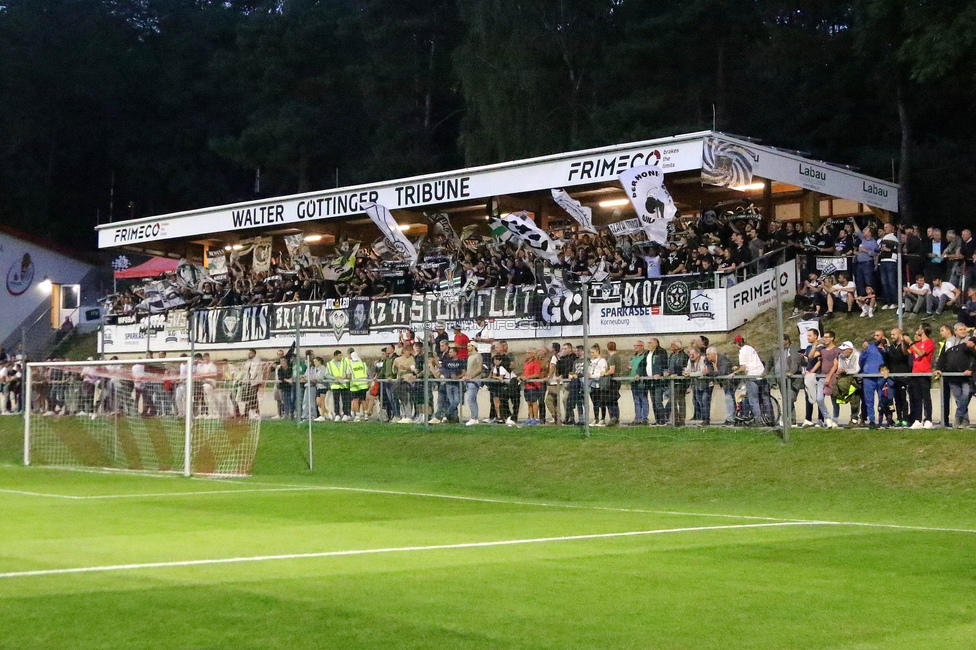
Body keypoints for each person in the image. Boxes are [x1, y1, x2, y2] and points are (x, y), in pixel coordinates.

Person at [934, 323, 975, 428]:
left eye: (965, 329)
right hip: (952, 376)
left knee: (965, 396)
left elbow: (974, 358)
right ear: (955, 331)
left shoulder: (970, 341)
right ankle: (965, 421)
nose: (963, 331)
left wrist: (971, 369)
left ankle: (957, 417)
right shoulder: (949, 342)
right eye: (961, 329)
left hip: (966, 377)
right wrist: (938, 368)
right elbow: (943, 357)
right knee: (958, 399)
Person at [732, 335, 768, 425]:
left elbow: (744, 368)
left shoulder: (742, 351)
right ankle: (770, 418)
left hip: (752, 376)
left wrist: (735, 372)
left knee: (753, 400)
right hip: (760, 373)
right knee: (764, 398)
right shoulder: (750, 348)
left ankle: (758, 421)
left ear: (737, 343)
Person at [907, 323, 935, 429]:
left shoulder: (929, 342)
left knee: (926, 397)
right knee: (916, 398)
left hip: (924, 372)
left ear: (923, 330)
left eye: (919, 328)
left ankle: (928, 419)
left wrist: (911, 343)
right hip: (915, 372)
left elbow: (921, 353)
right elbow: (906, 352)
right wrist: (904, 341)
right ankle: (917, 419)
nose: (917, 330)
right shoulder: (917, 343)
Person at [705, 346, 735, 425]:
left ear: (714, 354)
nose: (707, 356)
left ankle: (730, 419)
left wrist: (710, 373)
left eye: (708, 354)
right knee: (728, 399)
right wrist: (711, 373)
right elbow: (711, 372)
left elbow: (722, 372)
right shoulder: (709, 361)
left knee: (729, 399)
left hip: (731, 382)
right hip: (724, 382)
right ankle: (731, 418)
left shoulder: (723, 359)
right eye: (706, 355)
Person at [684, 346, 713, 425]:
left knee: (705, 401)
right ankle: (703, 418)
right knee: (699, 401)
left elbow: (703, 372)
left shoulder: (704, 360)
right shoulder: (690, 361)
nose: (691, 356)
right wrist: (686, 372)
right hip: (697, 384)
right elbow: (688, 369)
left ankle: (706, 420)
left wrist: (690, 374)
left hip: (706, 384)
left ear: (698, 354)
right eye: (690, 354)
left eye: (693, 354)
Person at [666, 340, 689, 426]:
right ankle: (675, 419)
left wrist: (677, 374)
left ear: (677, 346)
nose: (671, 346)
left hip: (681, 382)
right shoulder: (671, 355)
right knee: (673, 401)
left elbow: (684, 368)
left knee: (681, 400)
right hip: (672, 382)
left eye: (673, 345)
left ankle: (681, 419)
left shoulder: (683, 356)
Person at [647, 338, 669, 424]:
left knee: (658, 401)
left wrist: (660, 373)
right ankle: (657, 420)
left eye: (650, 342)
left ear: (656, 343)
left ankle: (662, 420)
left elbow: (664, 364)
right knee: (653, 401)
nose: (649, 344)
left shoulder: (661, 352)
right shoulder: (648, 353)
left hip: (658, 381)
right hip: (650, 381)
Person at [520, 349, 544, 425]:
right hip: (527, 385)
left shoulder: (536, 363)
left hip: (533, 385)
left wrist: (528, 378)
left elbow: (537, 374)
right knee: (528, 402)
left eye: (528, 353)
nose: (526, 354)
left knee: (534, 402)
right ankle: (531, 417)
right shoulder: (526, 363)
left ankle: (536, 418)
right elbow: (524, 373)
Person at [326, 349, 352, 421]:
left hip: (344, 384)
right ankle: (337, 414)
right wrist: (335, 378)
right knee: (336, 400)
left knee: (345, 400)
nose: (341, 357)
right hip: (335, 385)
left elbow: (347, 370)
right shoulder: (329, 364)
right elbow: (327, 374)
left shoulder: (344, 361)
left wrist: (344, 377)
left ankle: (346, 413)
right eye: (339, 356)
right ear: (335, 356)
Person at [587, 344, 608, 426]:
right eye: (590, 353)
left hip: (599, 384)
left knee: (601, 402)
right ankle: (596, 418)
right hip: (592, 384)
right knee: (594, 402)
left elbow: (602, 373)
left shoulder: (602, 361)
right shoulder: (591, 362)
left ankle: (602, 419)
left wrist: (592, 375)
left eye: (593, 352)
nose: (591, 354)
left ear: (598, 351)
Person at [629, 341, 649, 426]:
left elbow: (644, 367)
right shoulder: (634, 356)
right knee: (636, 400)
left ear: (642, 346)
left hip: (641, 380)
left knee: (643, 399)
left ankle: (644, 418)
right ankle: (637, 418)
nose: (635, 347)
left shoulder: (645, 356)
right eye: (634, 345)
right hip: (633, 380)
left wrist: (639, 374)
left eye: (637, 345)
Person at [462, 342, 482, 426]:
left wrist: (471, 376)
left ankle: (474, 417)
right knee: (471, 399)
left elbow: (479, 368)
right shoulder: (470, 356)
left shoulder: (478, 356)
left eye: (469, 346)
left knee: (471, 399)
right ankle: (474, 417)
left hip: (474, 381)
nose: (467, 347)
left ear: (474, 347)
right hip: (469, 381)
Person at [347, 349, 370, 421]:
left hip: (355, 385)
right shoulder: (363, 364)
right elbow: (367, 373)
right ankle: (366, 414)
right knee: (363, 399)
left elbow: (348, 376)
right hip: (363, 384)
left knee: (356, 400)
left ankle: (357, 415)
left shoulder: (350, 365)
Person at [604, 341, 622, 426]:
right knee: (614, 400)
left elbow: (612, 370)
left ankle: (613, 417)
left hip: (612, 381)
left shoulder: (612, 358)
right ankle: (615, 417)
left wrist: (604, 373)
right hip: (617, 381)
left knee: (610, 400)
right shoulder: (617, 357)